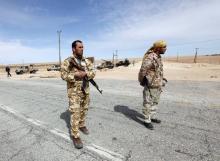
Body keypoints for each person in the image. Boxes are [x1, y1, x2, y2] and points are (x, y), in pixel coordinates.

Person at [60, 40, 95, 149]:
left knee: (84, 109)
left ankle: (82, 125)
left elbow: (93, 72)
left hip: (85, 90)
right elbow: (63, 75)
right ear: (74, 49)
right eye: (79, 47)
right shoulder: (68, 61)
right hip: (74, 92)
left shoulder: (87, 61)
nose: (82, 49)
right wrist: (75, 75)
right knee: (75, 112)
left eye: (83, 47)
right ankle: (75, 135)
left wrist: (85, 73)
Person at [138, 40, 167, 130]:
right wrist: (143, 81)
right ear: (158, 48)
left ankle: (152, 116)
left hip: (157, 84)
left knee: (155, 102)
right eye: (164, 47)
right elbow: (143, 70)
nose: (166, 49)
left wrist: (162, 79)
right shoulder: (150, 57)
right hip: (150, 84)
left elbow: (158, 70)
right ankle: (147, 120)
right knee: (148, 102)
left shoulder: (158, 57)